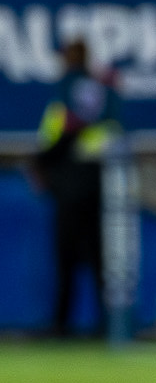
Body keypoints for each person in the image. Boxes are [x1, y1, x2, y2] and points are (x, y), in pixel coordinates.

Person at [33, 39, 118, 337]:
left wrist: (39, 163)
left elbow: (63, 133)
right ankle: (106, 324)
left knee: (70, 260)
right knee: (96, 260)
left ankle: (64, 325)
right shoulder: (99, 89)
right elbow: (109, 131)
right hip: (91, 184)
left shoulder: (72, 88)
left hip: (73, 186)